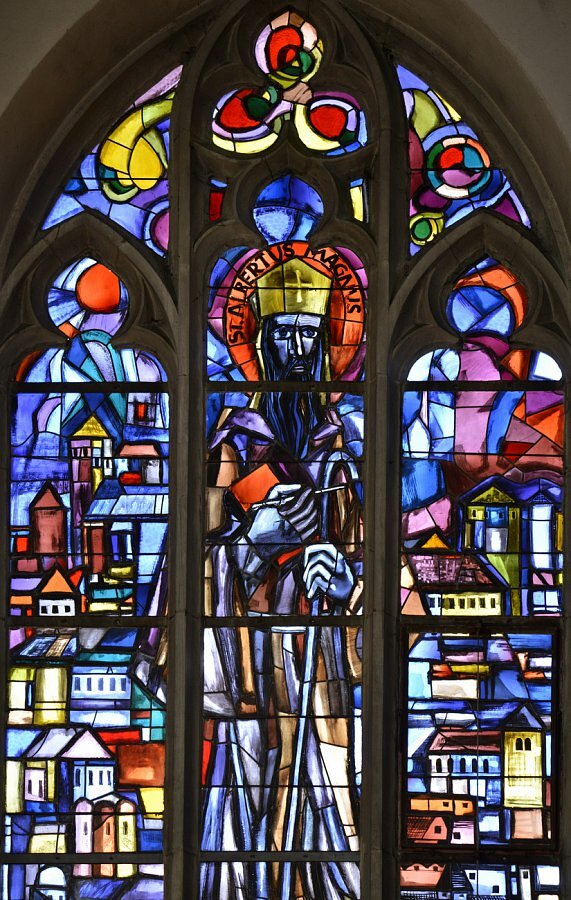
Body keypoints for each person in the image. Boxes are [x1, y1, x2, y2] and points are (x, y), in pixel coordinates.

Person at [202, 258, 363, 899]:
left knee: (330, 815)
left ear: (324, 345)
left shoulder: (339, 454)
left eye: (308, 336)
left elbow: (380, 579)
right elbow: (190, 571)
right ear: (262, 344)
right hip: (251, 667)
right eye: (283, 335)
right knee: (251, 807)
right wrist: (251, 545)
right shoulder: (232, 446)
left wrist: (347, 585)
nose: (296, 351)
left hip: (322, 671)